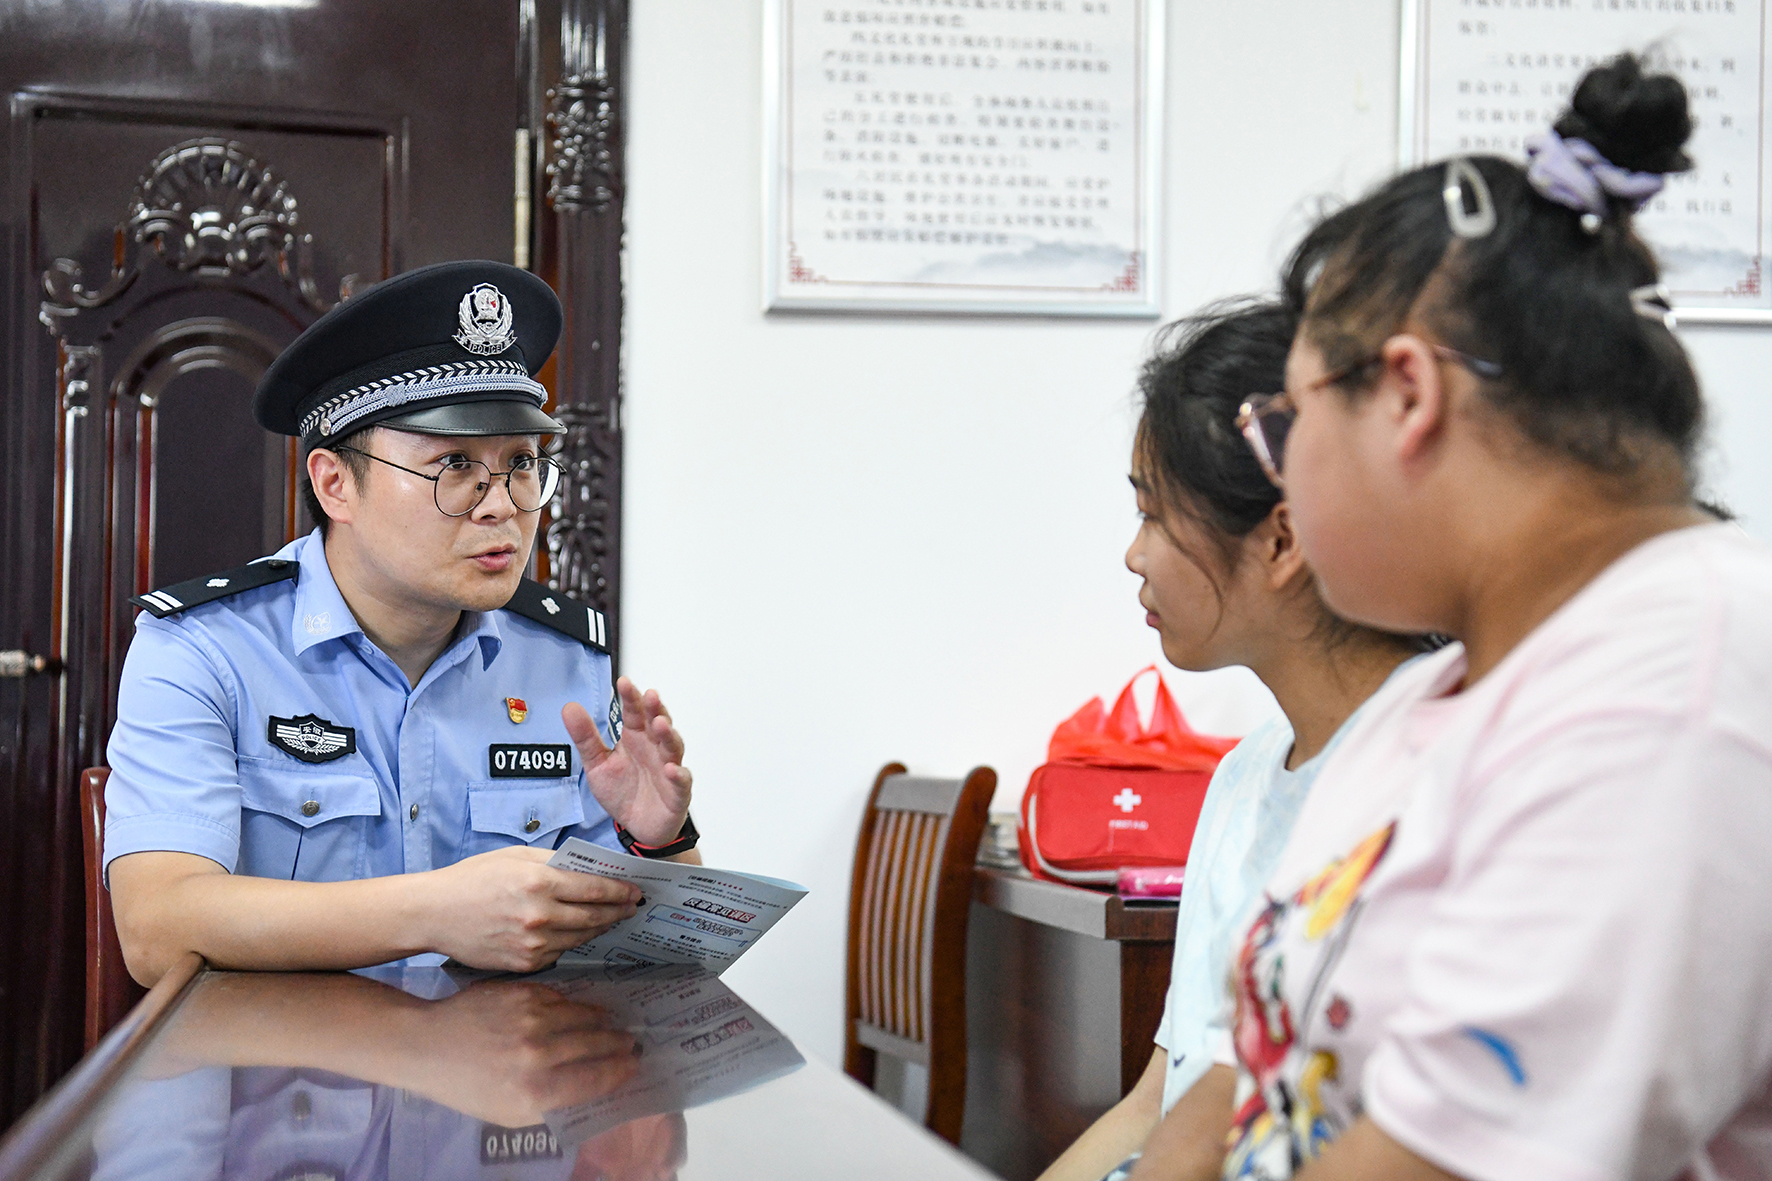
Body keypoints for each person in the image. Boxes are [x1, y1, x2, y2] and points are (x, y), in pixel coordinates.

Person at [1135, 55, 1772, 1181]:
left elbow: (1449, 1157)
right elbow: (1241, 1074)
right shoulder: (1437, 695)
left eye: (1287, 426)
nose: (1286, 481)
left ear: (1407, 396)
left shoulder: (1670, 691)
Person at [104, 261, 698, 985]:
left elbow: (654, 969)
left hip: (497, 1055)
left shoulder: (561, 659)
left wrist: (659, 843)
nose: (501, 505)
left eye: (521, 463)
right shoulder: (205, 651)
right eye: (454, 465)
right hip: (283, 1056)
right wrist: (435, 911)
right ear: (335, 484)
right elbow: (157, 928)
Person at [1036, 301, 1429, 1181]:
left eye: (1154, 514)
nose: (1134, 555)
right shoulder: (1246, 773)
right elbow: (1159, 1100)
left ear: (1282, 538)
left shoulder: (1426, 772)